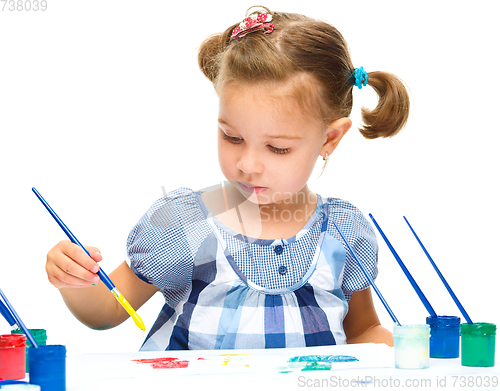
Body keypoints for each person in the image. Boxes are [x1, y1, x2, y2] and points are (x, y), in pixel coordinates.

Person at [45, 6, 409, 350]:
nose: (248, 163)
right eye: (232, 137)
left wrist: (407, 346)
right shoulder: (184, 223)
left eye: (277, 148)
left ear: (330, 138)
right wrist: (76, 283)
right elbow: (108, 313)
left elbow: (362, 330)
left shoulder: (344, 231)